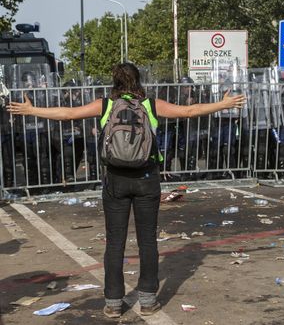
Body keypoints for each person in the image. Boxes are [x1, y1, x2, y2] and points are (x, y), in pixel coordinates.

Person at [6, 62, 245, 318]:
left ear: (115, 83)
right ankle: (148, 299)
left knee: (115, 242)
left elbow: (67, 114)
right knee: (147, 241)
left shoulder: (106, 106)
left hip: (115, 180)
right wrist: (223, 104)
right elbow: (189, 111)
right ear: (139, 81)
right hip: (146, 178)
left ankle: (113, 303)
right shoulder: (150, 105)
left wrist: (31, 110)